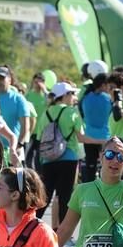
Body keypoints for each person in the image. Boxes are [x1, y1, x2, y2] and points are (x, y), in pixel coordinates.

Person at [34, 82, 104, 230]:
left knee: (44, 196)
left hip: (48, 159)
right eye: (72, 93)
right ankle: (62, 232)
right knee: (65, 197)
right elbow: (81, 138)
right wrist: (101, 141)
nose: (74, 96)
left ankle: (30, 226)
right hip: (68, 160)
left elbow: (39, 137)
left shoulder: (46, 113)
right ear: (64, 96)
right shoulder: (72, 112)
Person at [80, 73, 112, 182]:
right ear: (103, 85)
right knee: (107, 167)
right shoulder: (109, 99)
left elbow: (82, 115)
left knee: (90, 168)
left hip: (89, 137)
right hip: (105, 138)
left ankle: (90, 192)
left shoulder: (85, 98)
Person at [0, 66, 30, 152]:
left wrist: (19, 144)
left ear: (9, 80)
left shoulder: (18, 99)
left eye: (2, 78)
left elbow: (25, 126)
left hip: (12, 149)